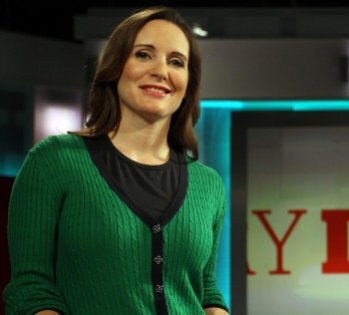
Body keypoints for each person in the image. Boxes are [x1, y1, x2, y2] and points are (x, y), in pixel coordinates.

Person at [3, 6, 229, 315]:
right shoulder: (53, 162)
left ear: (188, 83)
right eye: (144, 55)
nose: (161, 71)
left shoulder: (209, 185)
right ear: (115, 67)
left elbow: (205, 289)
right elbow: (31, 288)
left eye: (176, 62)